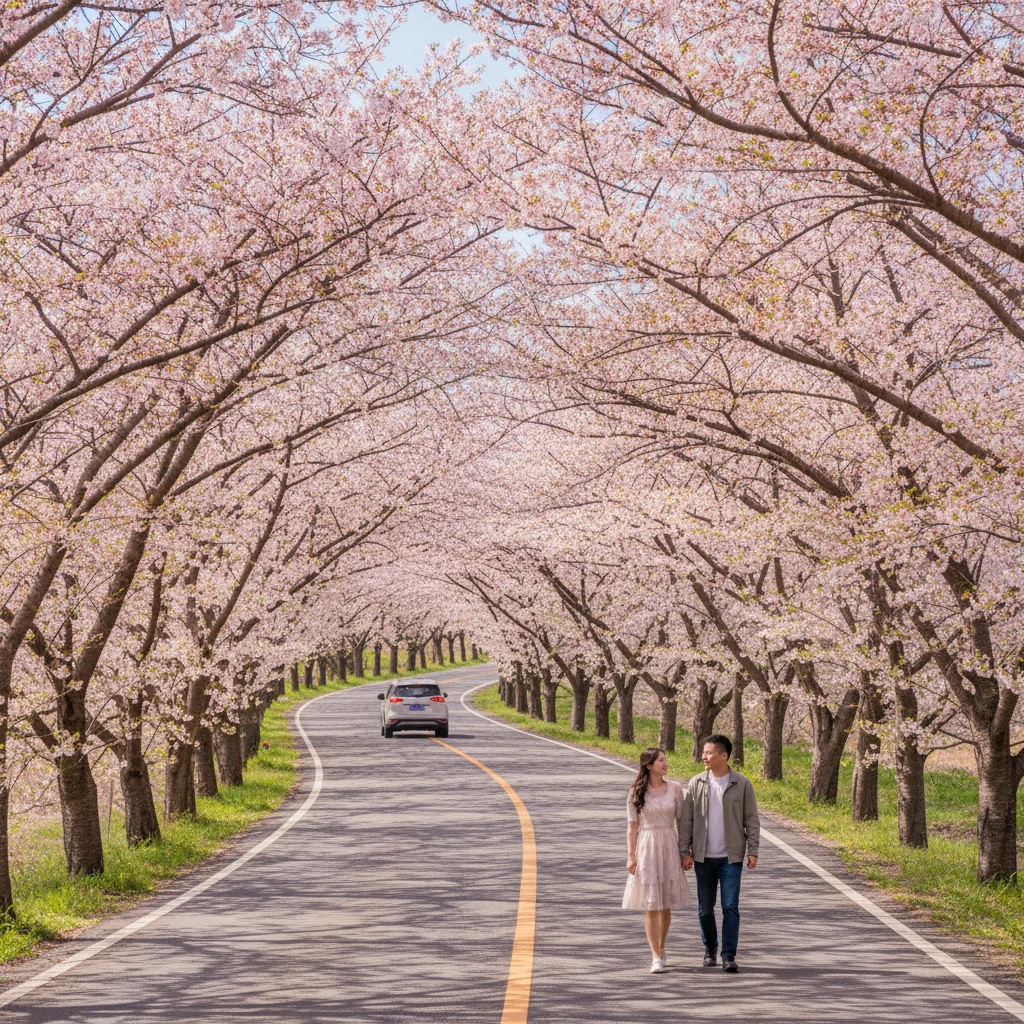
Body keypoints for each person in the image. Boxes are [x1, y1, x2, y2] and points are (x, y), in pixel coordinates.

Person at [678, 733, 760, 974]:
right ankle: (710, 947)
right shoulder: (696, 783)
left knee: (730, 906)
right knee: (705, 908)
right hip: (703, 857)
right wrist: (685, 851)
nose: (704, 756)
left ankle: (728, 955)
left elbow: (751, 820)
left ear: (723, 756)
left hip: (730, 858)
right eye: (704, 752)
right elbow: (687, 822)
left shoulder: (742, 784)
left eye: (709, 752)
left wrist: (753, 850)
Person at [622, 747, 691, 974]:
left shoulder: (675, 789)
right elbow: (632, 827)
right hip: (647, 846)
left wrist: (685, 852)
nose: (665, 763)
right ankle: (656, 955)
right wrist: (631, 856)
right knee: (651, 904)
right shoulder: (636, 792)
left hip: (669, 844)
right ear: (649, 765)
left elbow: (681, 823)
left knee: (665, 902)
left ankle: (662, 947)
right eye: (661, 760)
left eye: (665, 759)